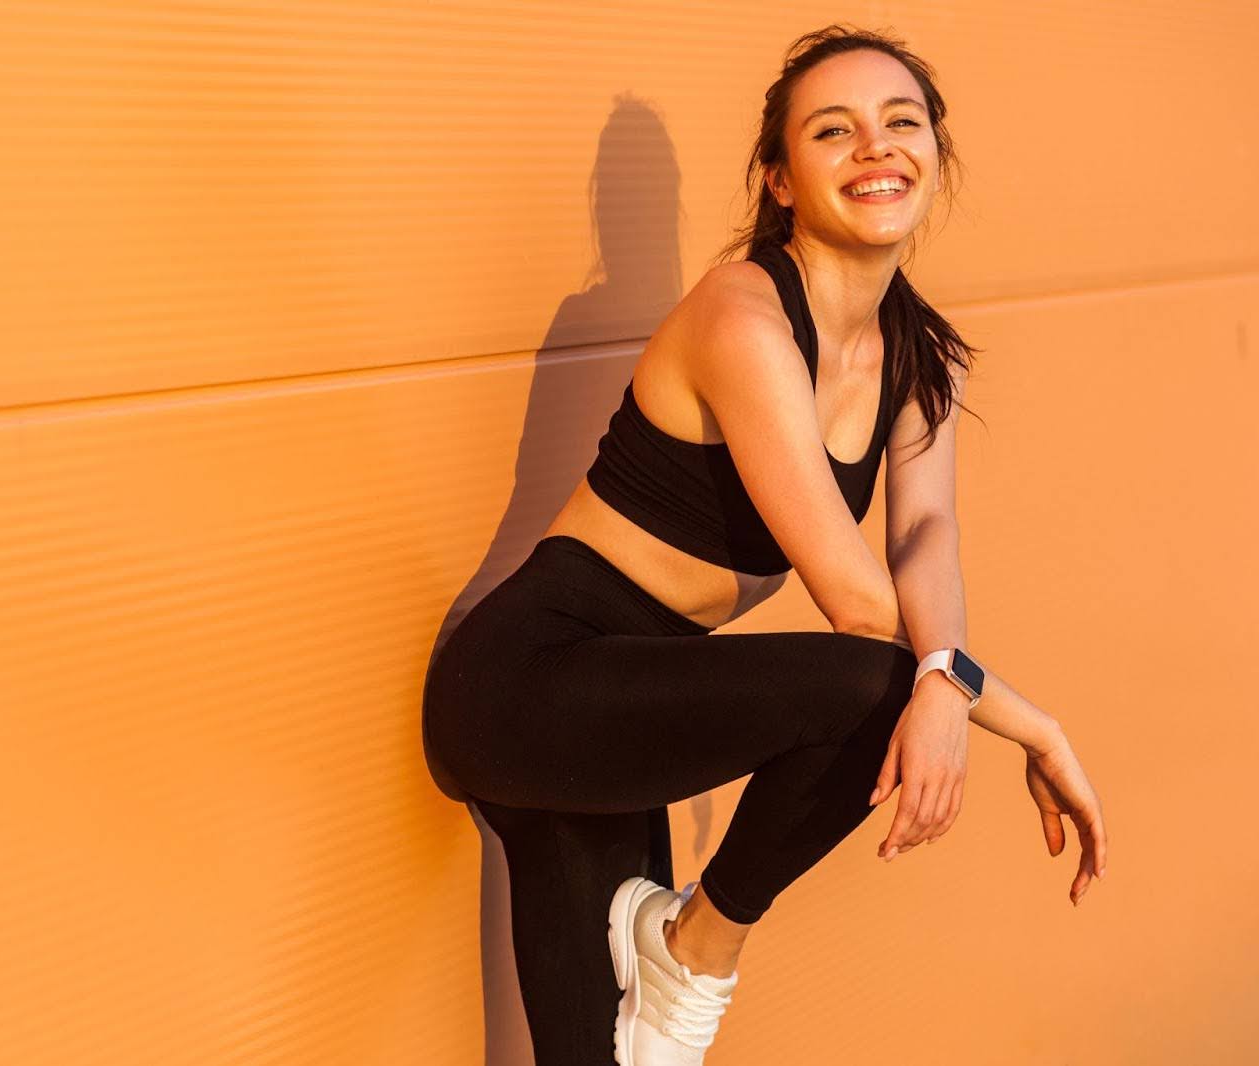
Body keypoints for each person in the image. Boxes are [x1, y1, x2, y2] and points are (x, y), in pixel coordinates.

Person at [421, 24, 1109, 1066]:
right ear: (780, 179)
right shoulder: (740, 319)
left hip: (631, 697)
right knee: (881, 684)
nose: (875, 149)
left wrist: (945, 674)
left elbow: (923, 536)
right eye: (833, 131)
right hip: (532, 683)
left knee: (602, 1060)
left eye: (900, 123)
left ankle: (680, 949)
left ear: (935, 152)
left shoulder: (916, 358)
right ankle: (698, 950)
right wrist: (1029, 723)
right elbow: (863, 607)